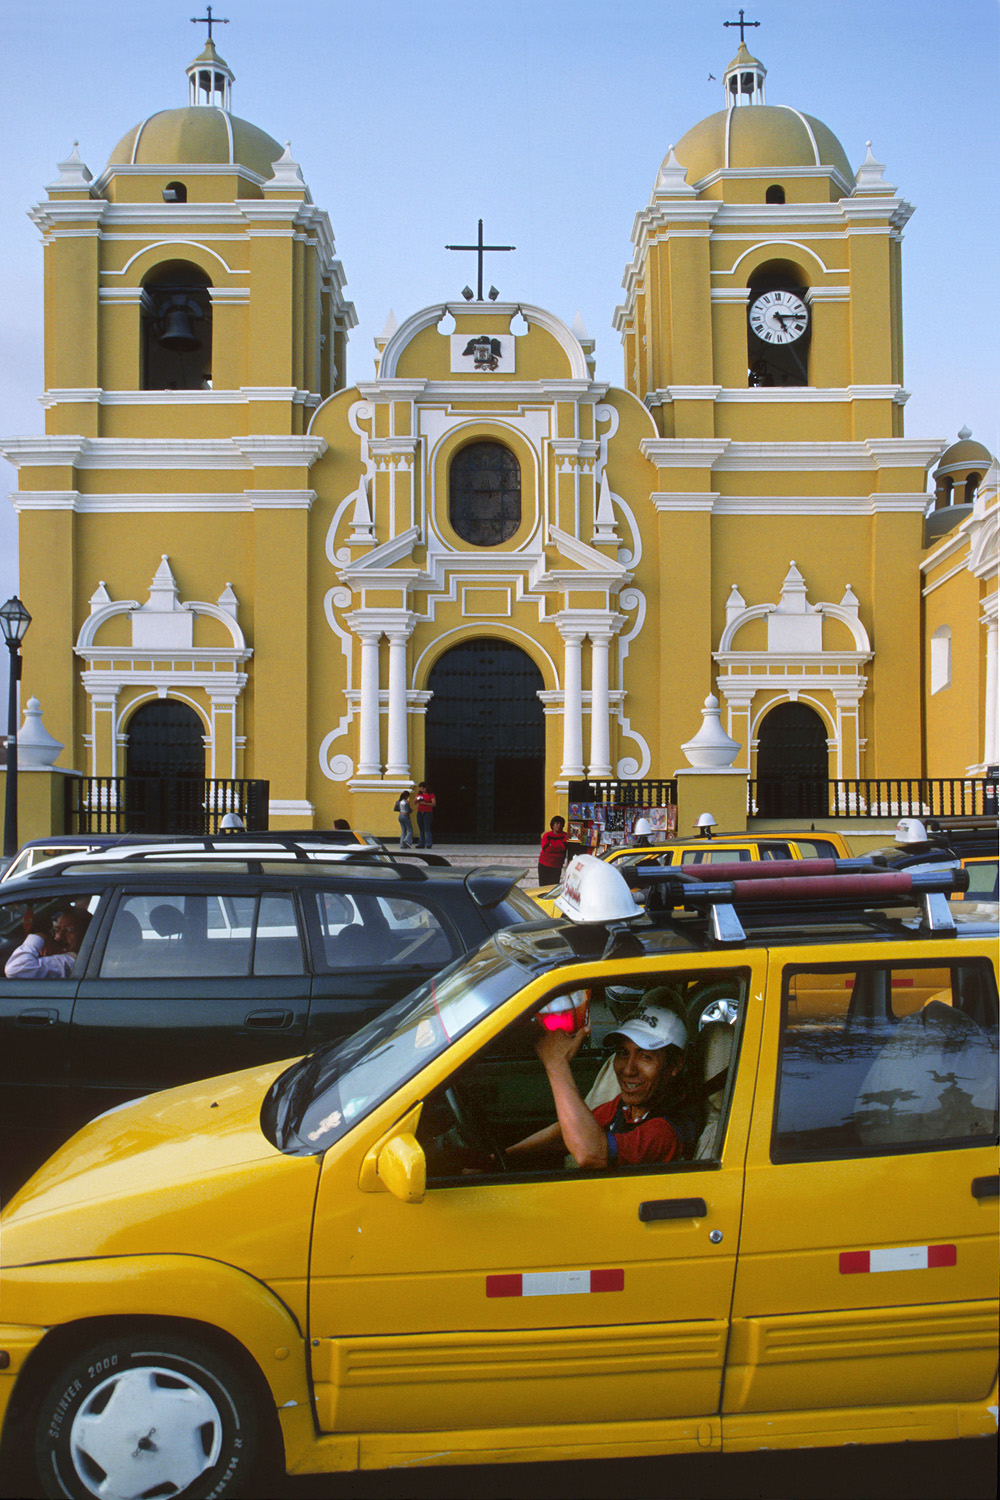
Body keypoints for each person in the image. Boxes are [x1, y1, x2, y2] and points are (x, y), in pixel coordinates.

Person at [508, 1004, 691, 1169]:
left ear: (675, 1065)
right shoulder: (629, 1106)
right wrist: (504, 1156)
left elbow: (592, 1155)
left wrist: (556, 1064)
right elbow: (565, 1131)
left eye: (646, 1057)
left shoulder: (665, 1131)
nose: (628, 1070)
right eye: (623, 1053)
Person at [5, 905, 92, 979]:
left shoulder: (71, 961)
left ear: (86, 933)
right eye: (57, 929)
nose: (59, 936)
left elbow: (15, 969)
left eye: (70, 930)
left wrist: (40, 937)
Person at [537, 815, 568, 885]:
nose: (559, 825)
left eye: (561, 824)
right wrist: (559, 847)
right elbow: (546, 848)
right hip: (544, 865)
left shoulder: (565, 836)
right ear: (553, 825)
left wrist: (552, 846)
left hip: (557, 866)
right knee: (543, 887)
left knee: (553, 887)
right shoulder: (546, 835)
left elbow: (564, 847)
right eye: (557, 823)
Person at [415, 782, 436, 848]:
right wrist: (417, 799)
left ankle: (428, 843)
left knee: (427, 828)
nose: (421, 790)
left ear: (426, 788)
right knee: (421, 828)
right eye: (420, 789)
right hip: (420, 811)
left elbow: (433, 804)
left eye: (422, 788)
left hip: (428, 812)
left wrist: (425, 803)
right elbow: (414, 802)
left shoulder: (431, 794)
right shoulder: (419, 794)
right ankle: (421, 843)